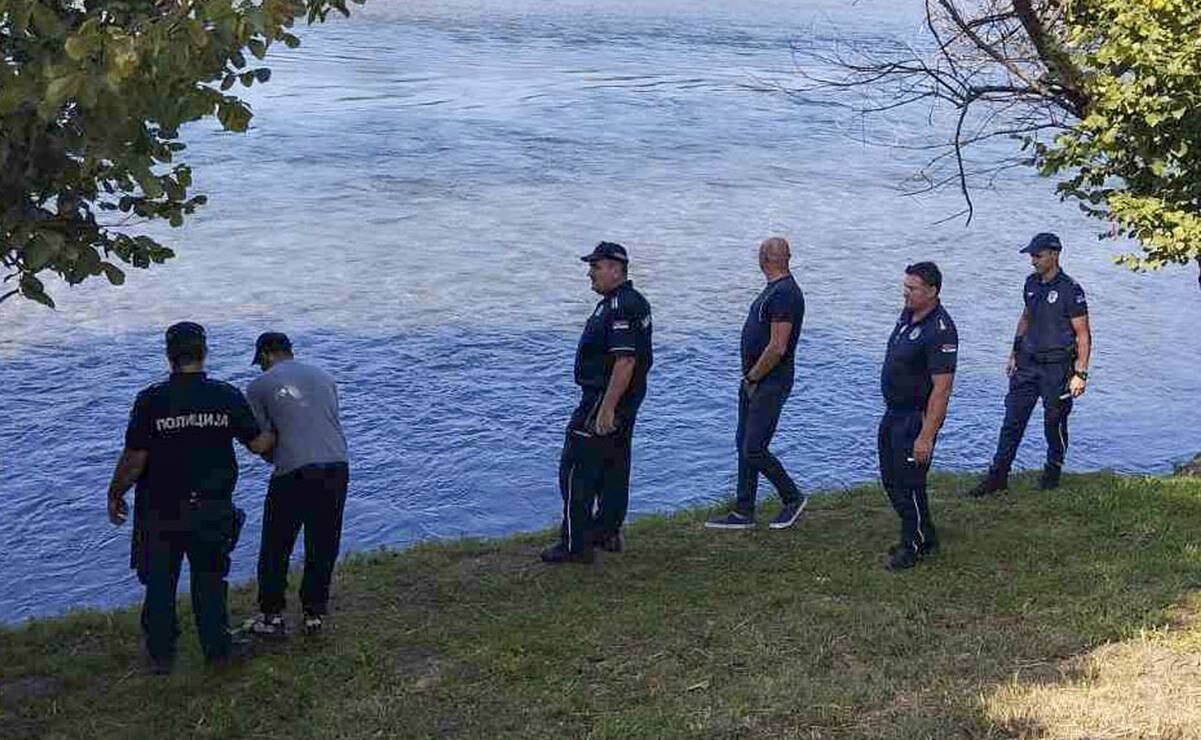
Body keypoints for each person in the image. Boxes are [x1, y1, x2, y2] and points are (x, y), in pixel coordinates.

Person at [106, 322, 274, 673]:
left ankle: (160, 655)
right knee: (210, 581)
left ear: (169, 356)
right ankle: (217, 650)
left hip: (160, 509)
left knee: (159, 583)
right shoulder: (225, 395)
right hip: (212, 506)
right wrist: (281, 426)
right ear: (204, 353)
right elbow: (259, 444)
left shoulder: (151, 399)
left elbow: (135, 459)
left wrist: (115, 493)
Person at [541, 241, 653, 563]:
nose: (590, 274)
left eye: (595, 267)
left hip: (603, 397)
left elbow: (625, 360)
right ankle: (607, 532)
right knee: (613, 465)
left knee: (575, 466)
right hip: (625, 399)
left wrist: (606, 408)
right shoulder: (633, 301)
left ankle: (575, 545)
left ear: (615, 269)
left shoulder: (619, 306)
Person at [243, 332, 350, 637]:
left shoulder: (258, 386)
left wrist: (271, 454)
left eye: (261, 362)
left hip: (294, 471)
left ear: (266, 355)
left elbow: (264, 441)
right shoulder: (325, 377)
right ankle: (314, 612)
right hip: (337, 465)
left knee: (276, 544)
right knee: (323, 542)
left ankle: (272, 614)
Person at [968, 233, 1092, 496]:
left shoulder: (1070, 290)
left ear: (1054, 255)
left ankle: (1052, 472)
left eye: (1037, 256)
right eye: (1031, 256)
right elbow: (1026, 317)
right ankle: (998, 476)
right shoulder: (1031, 283)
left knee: (1054, 421)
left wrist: (1080, 373)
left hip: (1057, 368)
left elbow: (1083, 334)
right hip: (1027, 364)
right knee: (1012, 420)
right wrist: (1013, 353)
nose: (1033, 261)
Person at [706, 237, 808, 529]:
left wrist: (753, 377)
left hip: (768, 381)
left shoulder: (784, 293)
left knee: (754, 447)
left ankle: (792, 497)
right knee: (744, 443)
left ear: (763, 258)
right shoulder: (775, 290)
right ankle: (743, 510)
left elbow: (778, 346)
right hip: (756, 380)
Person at [878, 262, 958, 570]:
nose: (905, 293)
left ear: (933, 291)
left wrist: (926, 435)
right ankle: (925, 534)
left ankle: (911, 545)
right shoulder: (909, 314)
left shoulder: (940, 330)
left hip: (915, 417)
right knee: (891, 478)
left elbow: (942, 389)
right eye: (905, 287)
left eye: (912, 289)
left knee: (908, 482)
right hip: (894, 411)